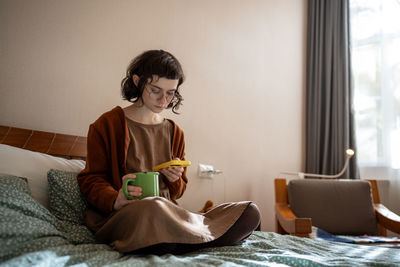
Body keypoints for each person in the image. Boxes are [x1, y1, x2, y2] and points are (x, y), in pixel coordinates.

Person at [77, 49, 261, 255]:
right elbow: (91, 179)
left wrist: (175, 179)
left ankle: (175, 240)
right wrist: (115, 199)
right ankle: (192, 240)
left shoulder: (175, 132)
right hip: (129, 216)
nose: (164, 100)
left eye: (170, 93)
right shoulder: (107, 124)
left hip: (169, 214)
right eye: (156, 90)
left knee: (248, 211)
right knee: (153, 206)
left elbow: (178, 192)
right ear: (138, 81)